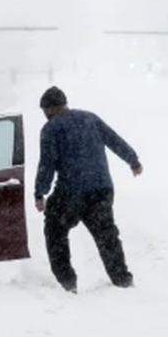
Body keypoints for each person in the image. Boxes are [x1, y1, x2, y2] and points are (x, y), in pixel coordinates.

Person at [34, 87, 143, 293]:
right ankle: (123, 281)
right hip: (101, 190)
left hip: (70, 193)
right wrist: (133, 160)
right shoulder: (89, 119)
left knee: (55, 231)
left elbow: (46, 164)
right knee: (107, 236)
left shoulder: (50, 129)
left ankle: (67, 283)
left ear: (50, 110)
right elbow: (114, 140)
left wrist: (40, 193)